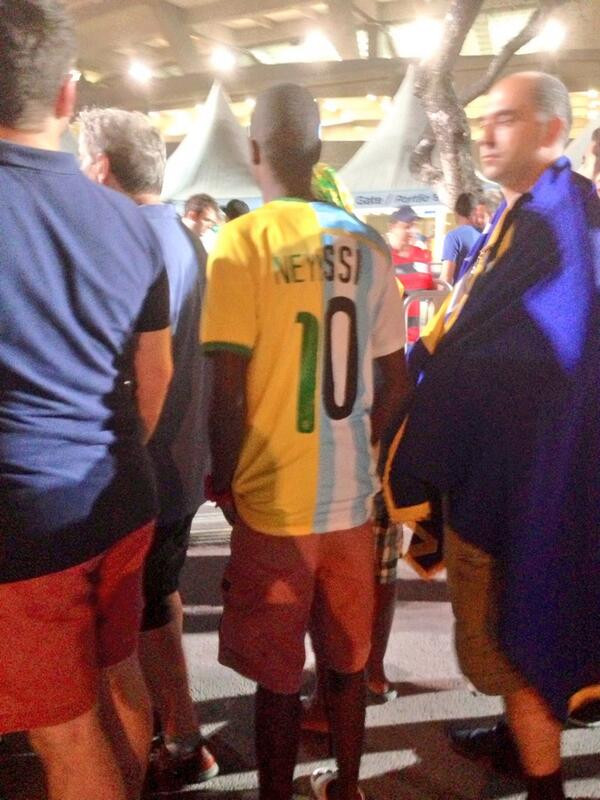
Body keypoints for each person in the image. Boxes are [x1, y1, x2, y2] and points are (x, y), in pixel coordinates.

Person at [384, 72, 600, 800]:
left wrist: (417, 418)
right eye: (485, 119)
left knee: (518, 632)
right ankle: (518, 742)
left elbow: (505, 355)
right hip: (533, 461)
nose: (485, 133)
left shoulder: (555, 224)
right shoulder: (536, 215)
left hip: (528, 476)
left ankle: (543, 785)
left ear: (552, 131)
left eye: (506, 119)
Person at [201, 83, 408, 800]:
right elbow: (397, 382)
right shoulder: (369, 244)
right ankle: (346, 787)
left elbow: (227, 392)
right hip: (350, 500)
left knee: (277, 676)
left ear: (253, 151)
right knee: (347, 664)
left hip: (273, 502)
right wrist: (360, 453)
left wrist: (226, 482)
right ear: (318, 151)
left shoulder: (242, 241)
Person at [0, 3, 173, 799]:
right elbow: (155, 373)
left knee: (65, 735)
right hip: (123, 494)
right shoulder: (132, 223)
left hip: (30, 519)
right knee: (117, 671)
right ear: (67, 95)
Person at [77, 107, 218, 790]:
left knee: (125, 629)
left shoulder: (126, 241)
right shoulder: (185, 238)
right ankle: (182, 733)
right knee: (159, 603)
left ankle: (171, 744)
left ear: (101, 168)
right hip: (180, 463)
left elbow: (141, 372)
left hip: (142, 468)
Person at [440, 192, 482, 285]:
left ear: (456, 212)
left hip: (462, 292)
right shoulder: (484, 235)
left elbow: (446, 278)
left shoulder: (453, 237)